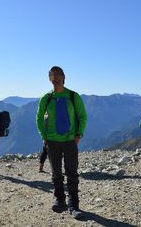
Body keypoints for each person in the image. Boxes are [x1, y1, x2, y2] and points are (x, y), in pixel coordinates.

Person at [36, 66, 87, 220]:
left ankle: (74, 205)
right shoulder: (47, 98)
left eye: (59, 75)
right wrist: (44, 136)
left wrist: (78, 135)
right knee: (56, 173)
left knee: (72, 172)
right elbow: (39, 117)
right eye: (53, 75)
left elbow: (82, 116)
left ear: (64, 77)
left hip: (70, 140)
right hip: (52, 141)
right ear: (49, 78)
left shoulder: (73, 96)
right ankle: (60, 199)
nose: (56, 78)